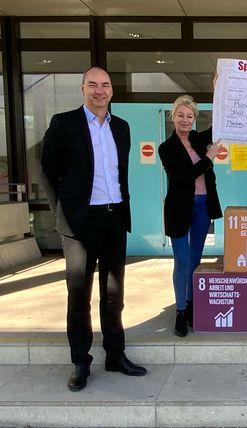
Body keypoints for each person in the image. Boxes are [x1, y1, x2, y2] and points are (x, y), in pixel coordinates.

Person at [40, 66, 147, 392]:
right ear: (82, 88)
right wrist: (62, 211)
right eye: (93, 85)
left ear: (112, 90)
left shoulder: (122, 128)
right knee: (79, 296)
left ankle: (115, 355)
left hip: (114, 219)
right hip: (79, 223)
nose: (99, 90)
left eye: (105, 85)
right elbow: (47, 171)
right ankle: (80, 362)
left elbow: (119, 174)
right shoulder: (64, 123)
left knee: (114, 295)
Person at [159, 95, 222, 337]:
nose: (185, 120)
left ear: (194, 119)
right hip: (178, 209)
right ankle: (180, 311)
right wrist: (209, 158)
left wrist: (219, 90)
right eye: (180, 115)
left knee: (195, 261)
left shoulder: (197, 139)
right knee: (182, 261)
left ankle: (192, 306)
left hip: (203, 207)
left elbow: (218, 126)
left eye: (189, 116)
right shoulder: (166, 148)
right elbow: (183, 177)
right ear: (173, 117)